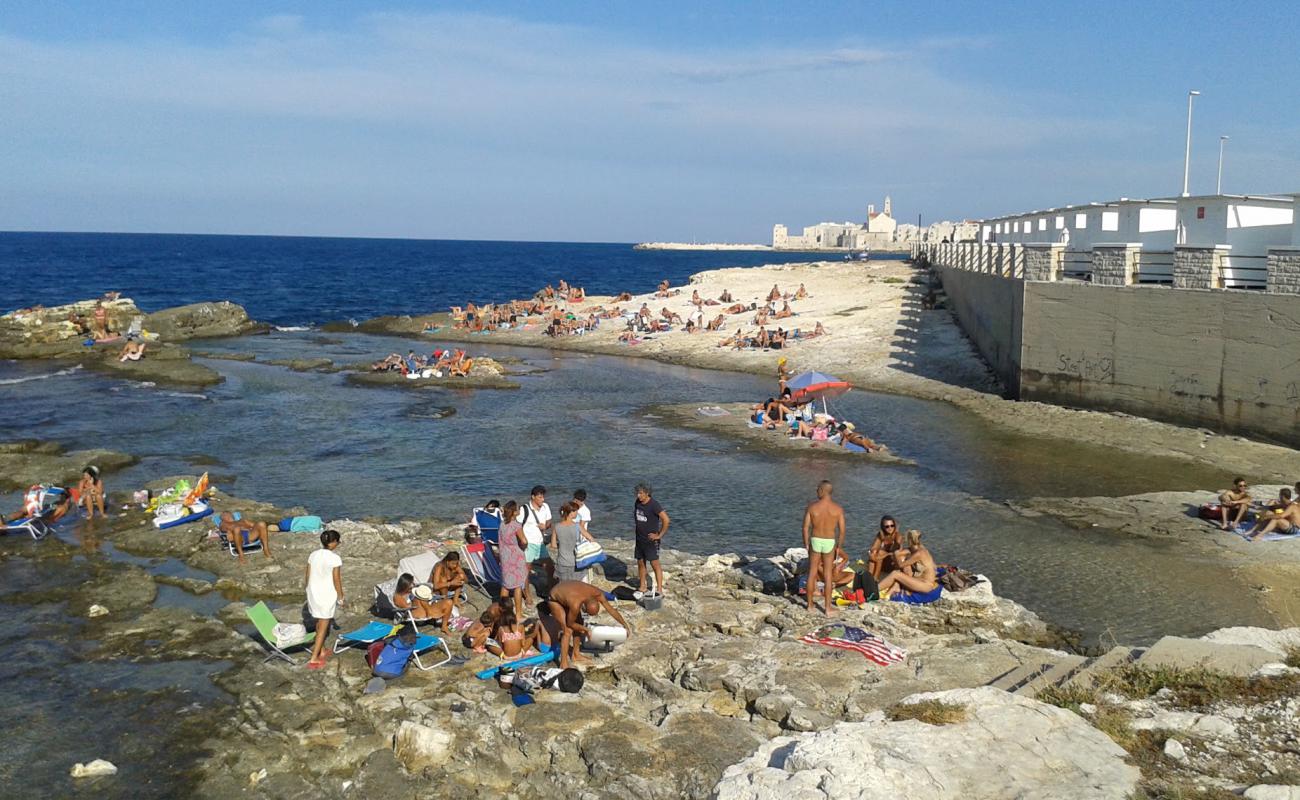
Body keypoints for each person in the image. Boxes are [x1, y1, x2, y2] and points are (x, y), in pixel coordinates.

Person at [547, 580, 631, 668]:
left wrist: (624, 624)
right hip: (555, 599)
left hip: (569, 592)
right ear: (583, 606)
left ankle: (576, 655)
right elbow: (570, 623)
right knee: (567, 630)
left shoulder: (598, 593)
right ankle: (563, 664)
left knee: (580, 622)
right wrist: (586, 629)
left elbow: (611, 609)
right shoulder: (575, 604)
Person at [803, 480, 846, 616]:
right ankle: (827, 608)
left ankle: (810, 605)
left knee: (812, 572)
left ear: (822, 490)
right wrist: (839, 546)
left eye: (817, 489)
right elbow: (842, 530)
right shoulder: (838, 509)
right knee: (828, 575)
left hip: (816, 539)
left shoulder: (812, 507)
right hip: (829, 541)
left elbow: (805, 527)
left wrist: (806, 543)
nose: (816, 491)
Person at [305, 530, 343, 669]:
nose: (338, 544)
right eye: (337, 541)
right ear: (333, 543)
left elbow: (307, 575)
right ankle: (314, 657)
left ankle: (321, 649)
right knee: (324, 624)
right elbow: (336, 579)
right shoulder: (335, 558)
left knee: (318, 621)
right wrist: (341, 596)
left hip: (313, 592)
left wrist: (307, 589)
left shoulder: (313, 555)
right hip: (326, 594)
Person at [878, 530, 938, 600]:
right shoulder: (919, 548)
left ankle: (874, 589)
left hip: (926, 585)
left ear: (909, 540)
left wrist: (896, 554)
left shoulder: (919, 553)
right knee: (905, 565)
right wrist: (896, 553)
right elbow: (903, 552)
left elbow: (900, 565)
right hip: (921, 580)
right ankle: (894, 588)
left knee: (895, 574)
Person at [633, 483, 670, 594]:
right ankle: (642, 586)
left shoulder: (654, 505)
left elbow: (666, 520)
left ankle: (659, 589)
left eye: (641, 493)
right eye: (637, 493)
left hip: (651, 541)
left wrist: (659, 535)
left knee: (655, 564)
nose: (638, 496)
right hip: (639, 540)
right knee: (640, 562)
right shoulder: (637, 503)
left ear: (647, 493)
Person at [498, 500, 530, 618]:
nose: (520, 510)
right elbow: (524, 541)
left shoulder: (502, 524)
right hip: (516, 556)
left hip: (505, 555)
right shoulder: (516, 526)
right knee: (517, 585)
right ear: (514, 512)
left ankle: (503, 611)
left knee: (505, 584)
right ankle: (518, 614)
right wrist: (524, 547)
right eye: (518, 509)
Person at [519, 485, 555, 585]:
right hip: (529, 543)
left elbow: (549, 521)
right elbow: (517, 526)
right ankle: (527, 594)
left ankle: (550, 588)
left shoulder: (545, 507)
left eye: (543, 497)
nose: (542, 499)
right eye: (540, 497)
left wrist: (545, 527)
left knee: (549, 566)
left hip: (540, 542)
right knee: (526, 569)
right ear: (533, 497)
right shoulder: (524, 509)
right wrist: (523, 540)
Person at [550, 502, 583, 584]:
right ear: (570, 513)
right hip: (575, 562)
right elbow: (591, 539)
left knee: (563, 587)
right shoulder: (577, 526)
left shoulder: (556, 526)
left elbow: (553, 545)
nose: (577, 513)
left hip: (562, 562)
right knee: (575, 586)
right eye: (575, 511)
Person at [867, 515, 903, 580]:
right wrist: (872, 553)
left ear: (895, 526)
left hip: (893, 564)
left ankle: (875, 579)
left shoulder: (898, 536)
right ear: (883, 527)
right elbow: (874, 547)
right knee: (873, 555)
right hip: (882, 562)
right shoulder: (881, 535)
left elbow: (895, 552)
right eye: (887, 526)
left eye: (892, 525)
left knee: (880, 553)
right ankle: (869, 578)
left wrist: (882, 555)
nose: (890, 528)